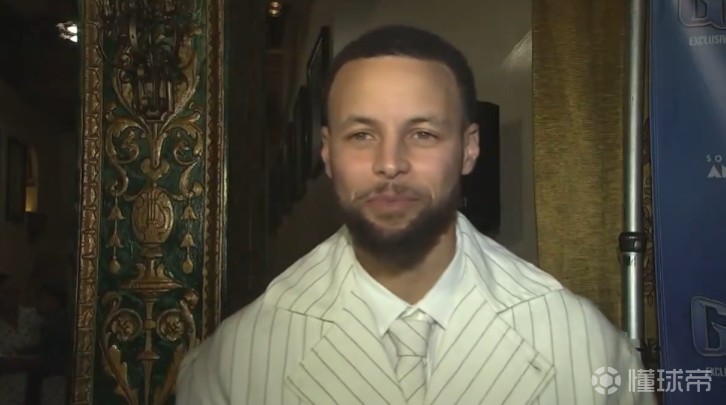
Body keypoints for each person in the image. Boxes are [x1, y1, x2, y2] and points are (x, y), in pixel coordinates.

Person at [177, 25, 656, 404]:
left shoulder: (585, 346)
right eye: (362, 135)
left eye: (422, 134)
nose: (390, 163)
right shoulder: (234, 364)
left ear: (469, 148)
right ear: (326, 152)